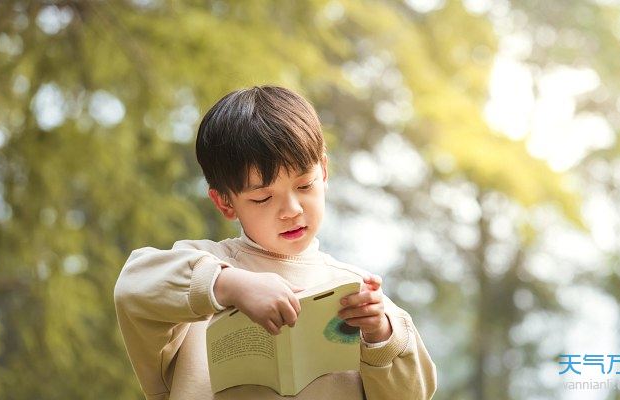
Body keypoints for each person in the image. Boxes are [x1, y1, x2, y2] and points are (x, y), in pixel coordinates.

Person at [113, 86, 437, 400]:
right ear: (225, 202)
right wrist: (229, 285)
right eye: (263, 197)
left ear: (323, 171)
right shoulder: (204, 267)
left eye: (305, 185)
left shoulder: (356, 294)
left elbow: (414, 393)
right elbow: (133, 286)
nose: (292, 210)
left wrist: (380, 336)